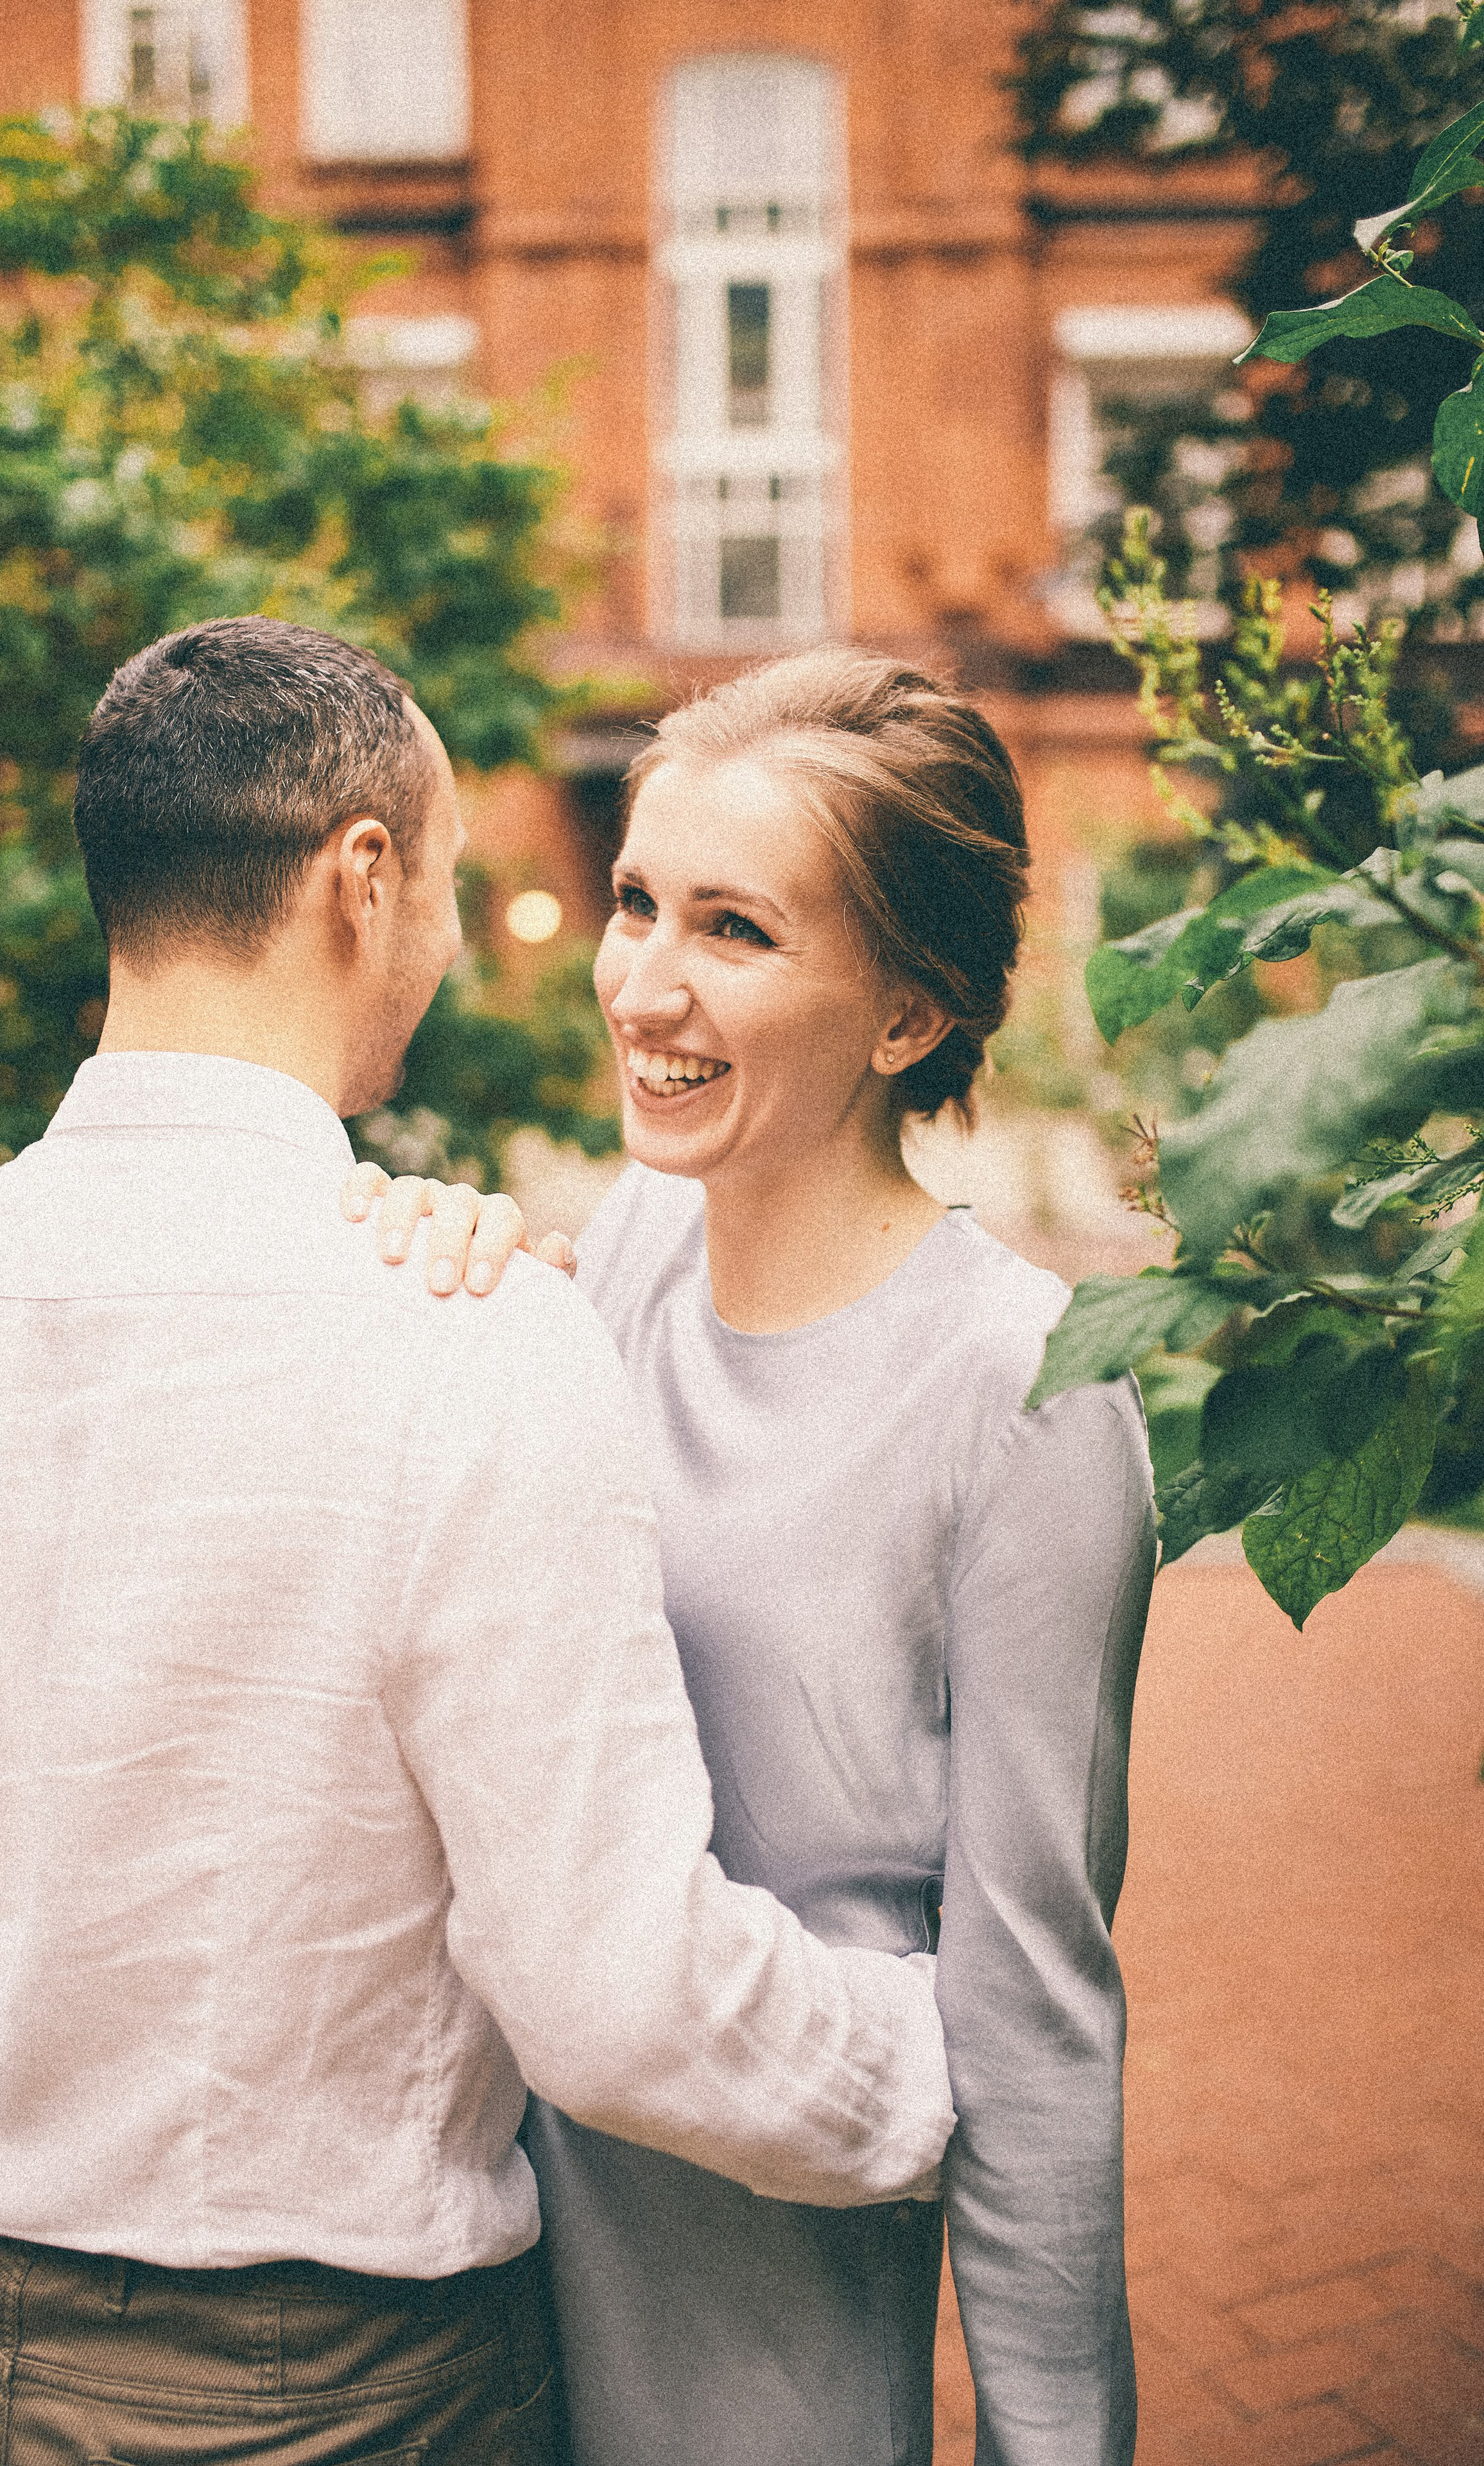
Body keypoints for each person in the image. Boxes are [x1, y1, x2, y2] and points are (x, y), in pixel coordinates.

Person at [0, 620, 960, 2466]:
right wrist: (935, 2063)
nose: (454, 939)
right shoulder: (463, 1343)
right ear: (363, 875)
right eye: (451, 877)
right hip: (312, 2386)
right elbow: (623, 2002)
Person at [349, 648, 1157, 2466]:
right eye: (640, 901)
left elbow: (1031, 2010)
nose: (642, 982)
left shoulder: (1023, 1394)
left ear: (907, 1013)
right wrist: (416, 1273)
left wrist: (1057, 2446)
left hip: (763, 2312)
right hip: (486, 2251)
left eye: (736, 928)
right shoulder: (624, 1245)